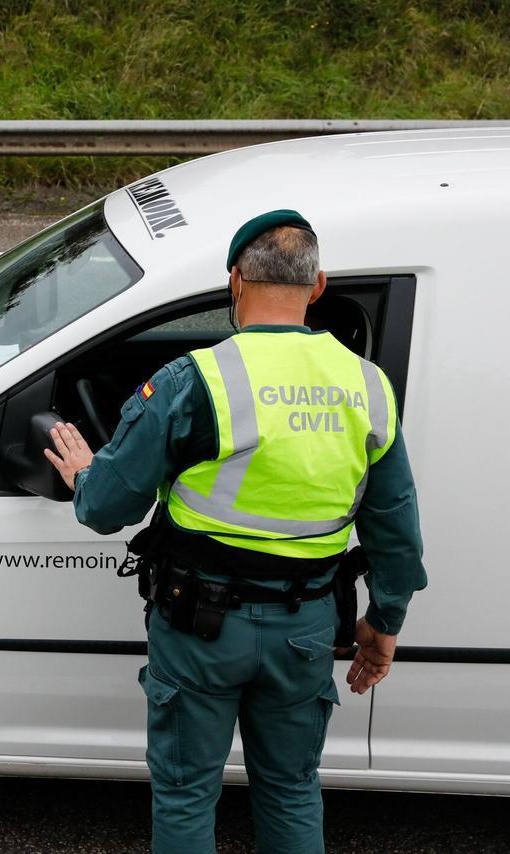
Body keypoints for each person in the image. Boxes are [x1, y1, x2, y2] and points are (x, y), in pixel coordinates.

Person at [44, 210, 427, 854]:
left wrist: (86, 473)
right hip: (306, 628)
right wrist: (384, 624)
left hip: (198, 626)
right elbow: (396, 526)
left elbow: (106, 508)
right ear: (318, 286)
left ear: (235, 282)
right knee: (291, 789)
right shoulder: (368, 386)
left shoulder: (193, 380)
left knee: (186, 794)